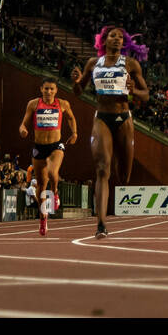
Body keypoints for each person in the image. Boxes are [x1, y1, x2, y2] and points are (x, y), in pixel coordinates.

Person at [71, 26, 149, 239]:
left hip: (123, 119)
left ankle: (118, 162)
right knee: (102, 170)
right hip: (102, 118)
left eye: (121, 37)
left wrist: (134, 91)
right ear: (103, 41)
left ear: (124, 44)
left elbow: (146, 95)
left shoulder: (131, 64)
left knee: (124, 175)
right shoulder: (92, 64)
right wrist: (76, 82)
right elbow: (78, 92)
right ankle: (101, 224)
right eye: (112, 36)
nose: (117, 39)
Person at [18, 78, 79, 236]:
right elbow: (24, 123)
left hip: (56, 145)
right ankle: (43, 217)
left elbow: (71, 118)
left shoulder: (63, 104)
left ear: (56, 90)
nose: (48, 92)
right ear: (41, 89)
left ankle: (55, 193)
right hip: (39, 147)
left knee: (52, 172)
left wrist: (74, 133)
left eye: (51, 89)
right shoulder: (33, 104)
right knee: (40, 185)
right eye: (46, 89)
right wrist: (23, 129)